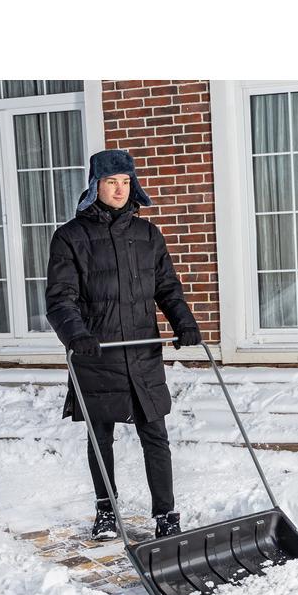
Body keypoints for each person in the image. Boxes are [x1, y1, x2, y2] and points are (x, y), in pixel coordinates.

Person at [45, 149, 201, 541]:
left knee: (156, 435)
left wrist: (184, 321)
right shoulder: (70, 237)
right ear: (95, 185)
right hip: (96, 353)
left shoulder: (147, 235)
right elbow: (59, 298)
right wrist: (76, 335)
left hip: (142, 352)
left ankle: (166, 515)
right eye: (111, 181)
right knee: (100, 438)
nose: (119, 189)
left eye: (125, 181)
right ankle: (106, 511)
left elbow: (167, 288)